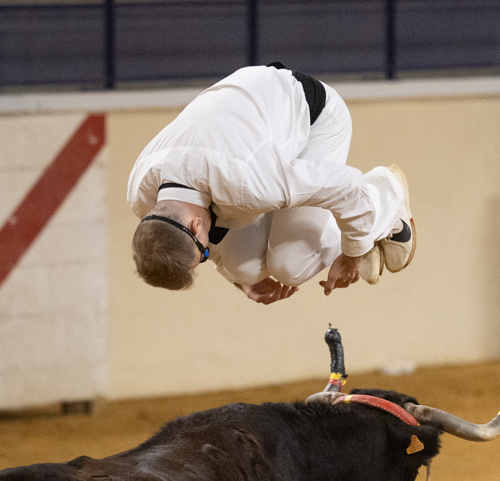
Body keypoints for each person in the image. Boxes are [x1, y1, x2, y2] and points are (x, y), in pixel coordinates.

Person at [127, 64, 416, 306]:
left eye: (201, 254)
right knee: (243, 267)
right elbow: (213, 240)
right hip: (253, 125)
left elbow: (347, 187)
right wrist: (241, 282)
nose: (206, 253)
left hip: (315, 119)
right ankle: (362, 229)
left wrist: (353, 254)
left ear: (193, 226)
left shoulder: (248, 182)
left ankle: (386, 196)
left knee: (291, 266)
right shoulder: (144, 200)